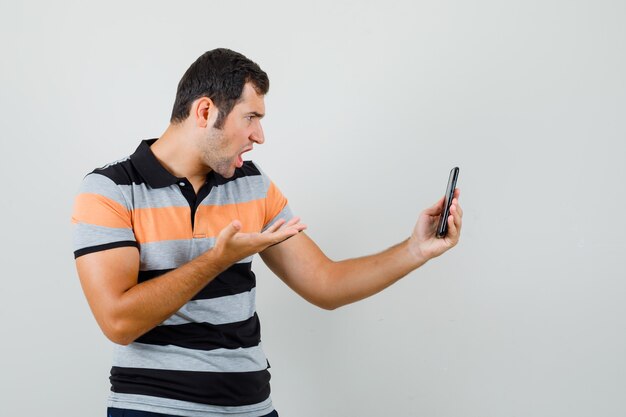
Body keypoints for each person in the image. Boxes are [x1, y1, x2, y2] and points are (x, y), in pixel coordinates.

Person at [72, 48, 463, 417]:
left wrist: (415, 249)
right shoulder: (111, 190)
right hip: (153, 410)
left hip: (252, 407)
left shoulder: (253, 185)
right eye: (251, 117)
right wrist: (217, 260)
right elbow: (118, 322)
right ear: (206, 111)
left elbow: (325, 284)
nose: (260, 136)